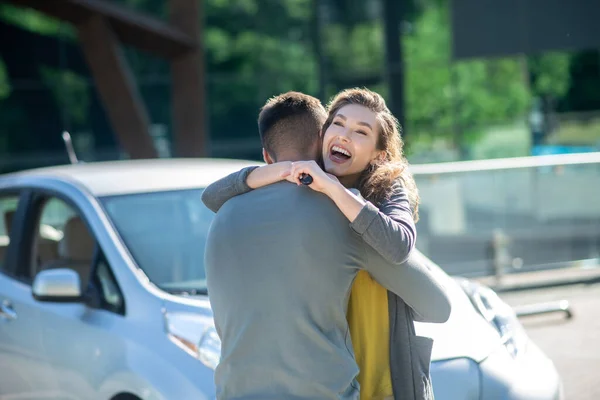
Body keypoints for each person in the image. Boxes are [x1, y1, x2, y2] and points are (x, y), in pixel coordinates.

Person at [203, 90, 451, 400]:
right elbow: (438, 305)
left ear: (379, 154)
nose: (345, 136)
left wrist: (334, 191)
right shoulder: (325, 210)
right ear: (321, 139)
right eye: (338, 124)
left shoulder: (376, 196)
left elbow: (400, 247)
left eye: (361, 132)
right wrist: (284, 171)